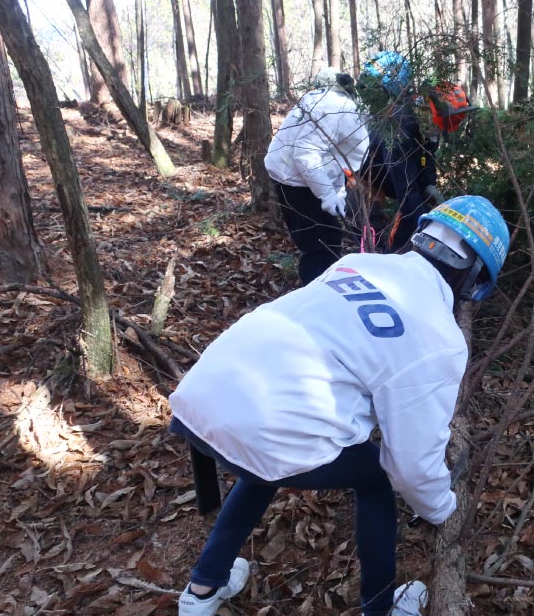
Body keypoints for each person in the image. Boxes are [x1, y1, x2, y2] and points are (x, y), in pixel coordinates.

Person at [169, 195, 510, 616]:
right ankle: (380, 608)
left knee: (267, 453)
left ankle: (202, 588)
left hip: (201, 394)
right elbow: (412, 466)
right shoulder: (440, 340)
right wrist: (441, 508)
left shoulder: (360, 263)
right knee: (377, 477)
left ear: (421, 238)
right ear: (475, 278)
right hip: (260, 427)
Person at [265, 68, 370, 285]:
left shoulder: (341, 105)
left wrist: (338, 192)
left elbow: (332, 155)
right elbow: (306, 155)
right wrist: (327, 195)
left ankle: (330, 286)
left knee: (331, 238)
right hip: (292, 177)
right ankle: (315, 293)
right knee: (315, 246)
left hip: (308, 172)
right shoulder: (337, 109)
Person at [358, 52, 442, 252]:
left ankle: (395, 250)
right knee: (374, 220)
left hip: (381, 170)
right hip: (363, 174)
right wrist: (426, 223)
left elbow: (426, 156)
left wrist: (429, 184)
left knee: (413, 205)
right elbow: (406, 187)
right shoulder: (399, 125)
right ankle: (372, 259)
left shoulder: (421, 119)